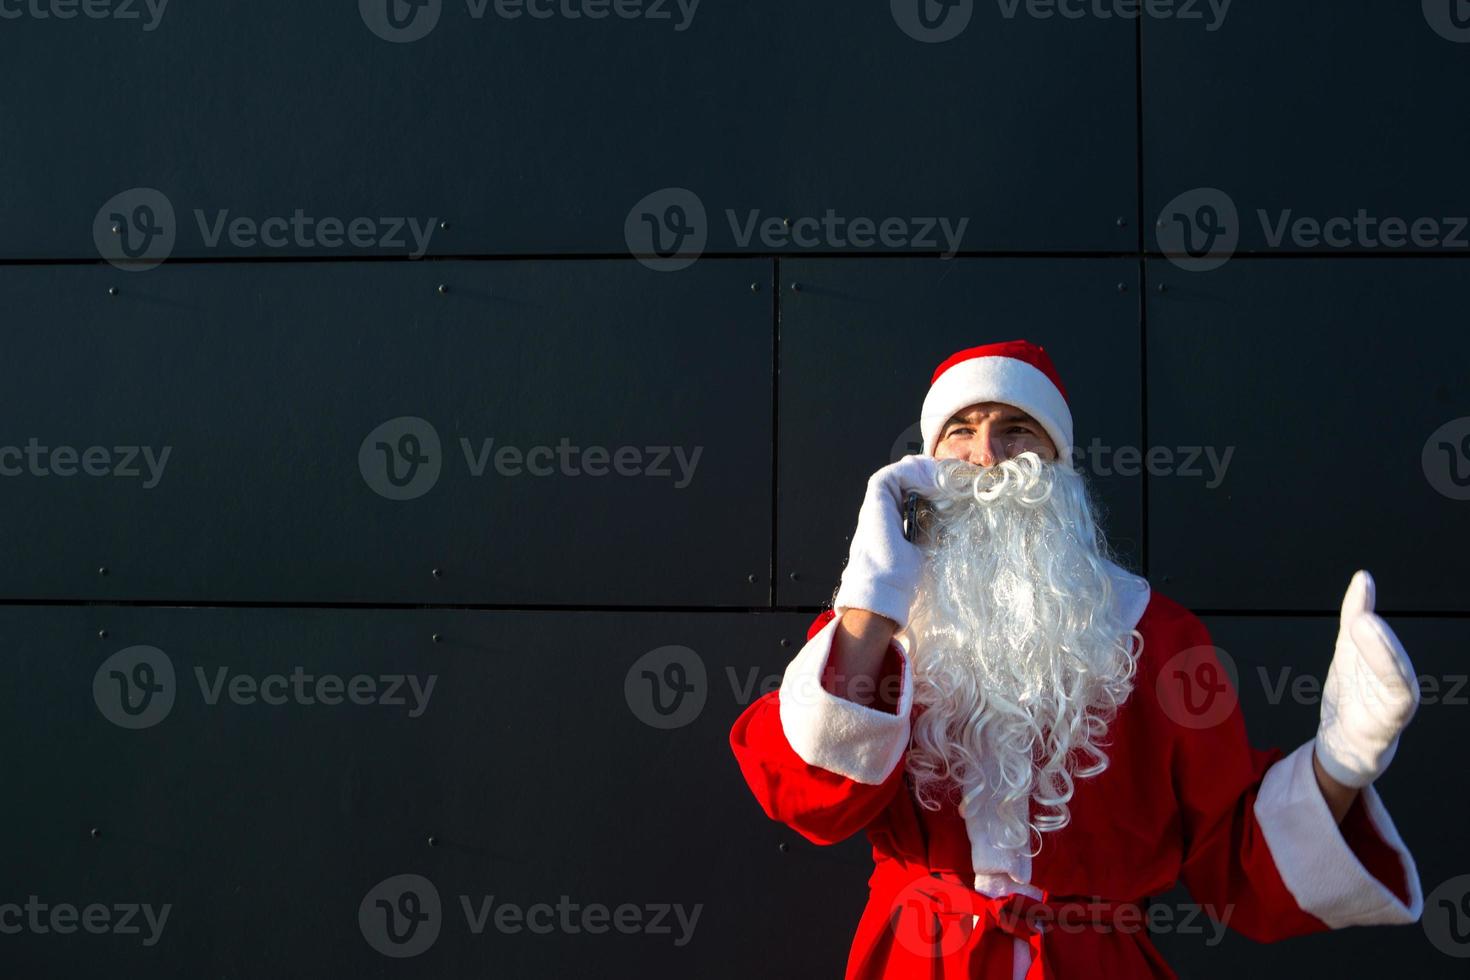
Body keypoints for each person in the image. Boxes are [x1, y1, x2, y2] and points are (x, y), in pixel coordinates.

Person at [728, 339, 1422, 979]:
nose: (987, 455)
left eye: (1015, 430)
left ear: (1057, 464)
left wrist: (1342, 760)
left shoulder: (1160, 635)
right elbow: (809, 799)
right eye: (960, 431)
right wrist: (871, 596)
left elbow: (1232, 857)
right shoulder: (879, 626)